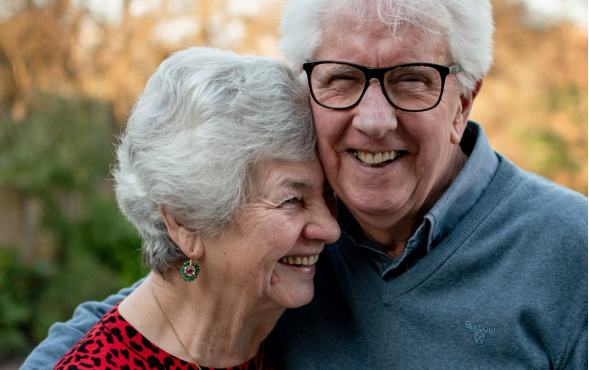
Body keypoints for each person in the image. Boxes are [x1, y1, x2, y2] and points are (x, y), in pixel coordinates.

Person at [22, 0, 588, 369]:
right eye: (342, 78)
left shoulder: (571, 250)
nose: (373, 120)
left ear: (464, 99)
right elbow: (174, 295)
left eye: (412, 80)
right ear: (309, 84)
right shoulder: (307, 231)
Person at [51, 47, 340, 369]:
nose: (331, 229)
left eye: (329, 196)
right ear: (186, 222)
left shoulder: (290, 333)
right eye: (292, 201)